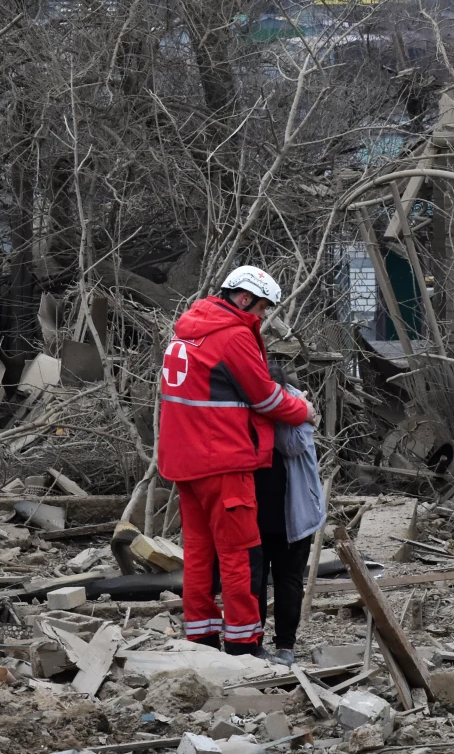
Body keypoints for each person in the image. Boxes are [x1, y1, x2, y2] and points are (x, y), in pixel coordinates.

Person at [157, 266, 314, 656]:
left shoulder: (188, 328)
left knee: (199, 554)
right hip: (222, 461)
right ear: (244, 298)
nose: (263, 316)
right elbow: (266, 397)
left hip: (183, 462)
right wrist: (304, 410)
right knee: (240, 554)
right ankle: (244, 645)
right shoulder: (233, 335)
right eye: (262, 307)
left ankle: (202, 639)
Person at [252, 363, 326, 665]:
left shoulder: (295, 402)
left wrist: (294, 412)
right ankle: (254, 643)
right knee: (254, 582)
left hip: (293, 512)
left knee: (288, 580)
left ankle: (285, 645)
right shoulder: (246, 402)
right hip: (255, 512)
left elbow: (292, 445)